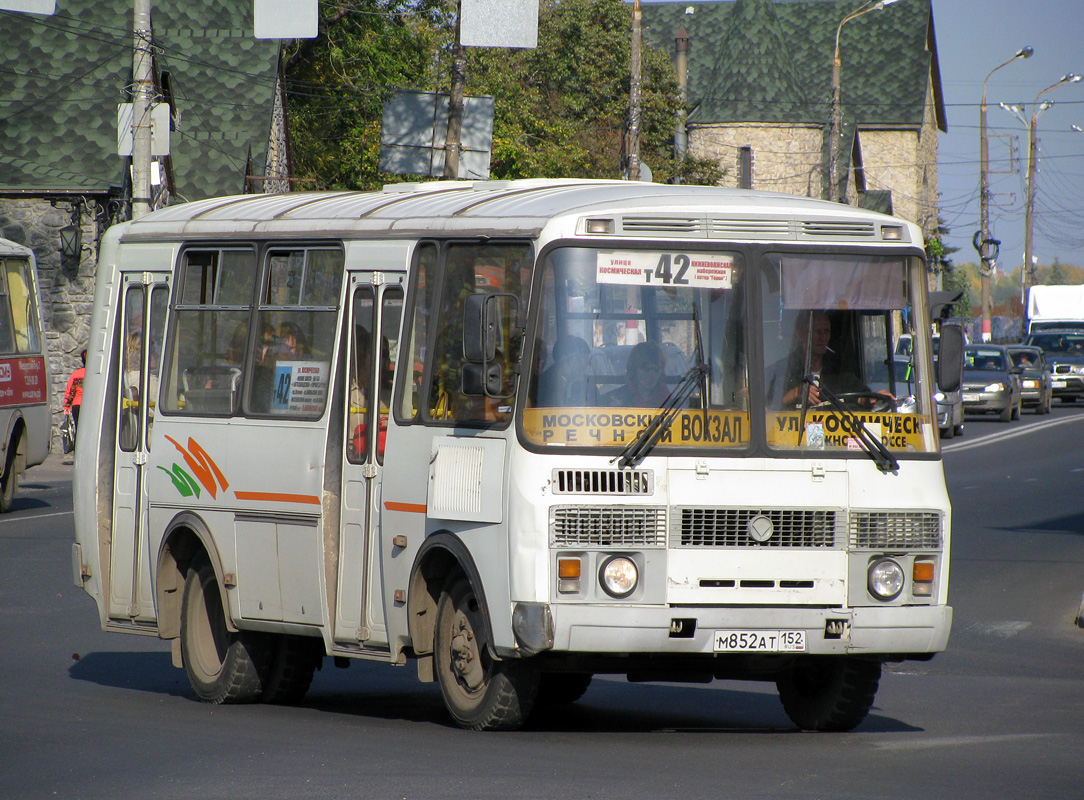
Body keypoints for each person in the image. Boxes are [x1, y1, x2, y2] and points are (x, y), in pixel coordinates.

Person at [769, 310, 872, 408]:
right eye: (817, 332)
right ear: (800, 335)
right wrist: (796, 393)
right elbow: (768, 406)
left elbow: (859, 394)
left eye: (826, 332)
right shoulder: (783, 369)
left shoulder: (838, 370)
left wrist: (867, 399)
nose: (822, 337)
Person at [605, 341, 670, 408]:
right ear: (634, 370)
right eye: (646, 370)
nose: (652, 376)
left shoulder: (672, 403)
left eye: (656, 370)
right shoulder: (613, 400)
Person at [537, 335, 591, 406]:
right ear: (565, 358)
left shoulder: (554, 378)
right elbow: (556, 413)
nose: (586, 364)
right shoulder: (554, 384)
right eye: (582, 358)